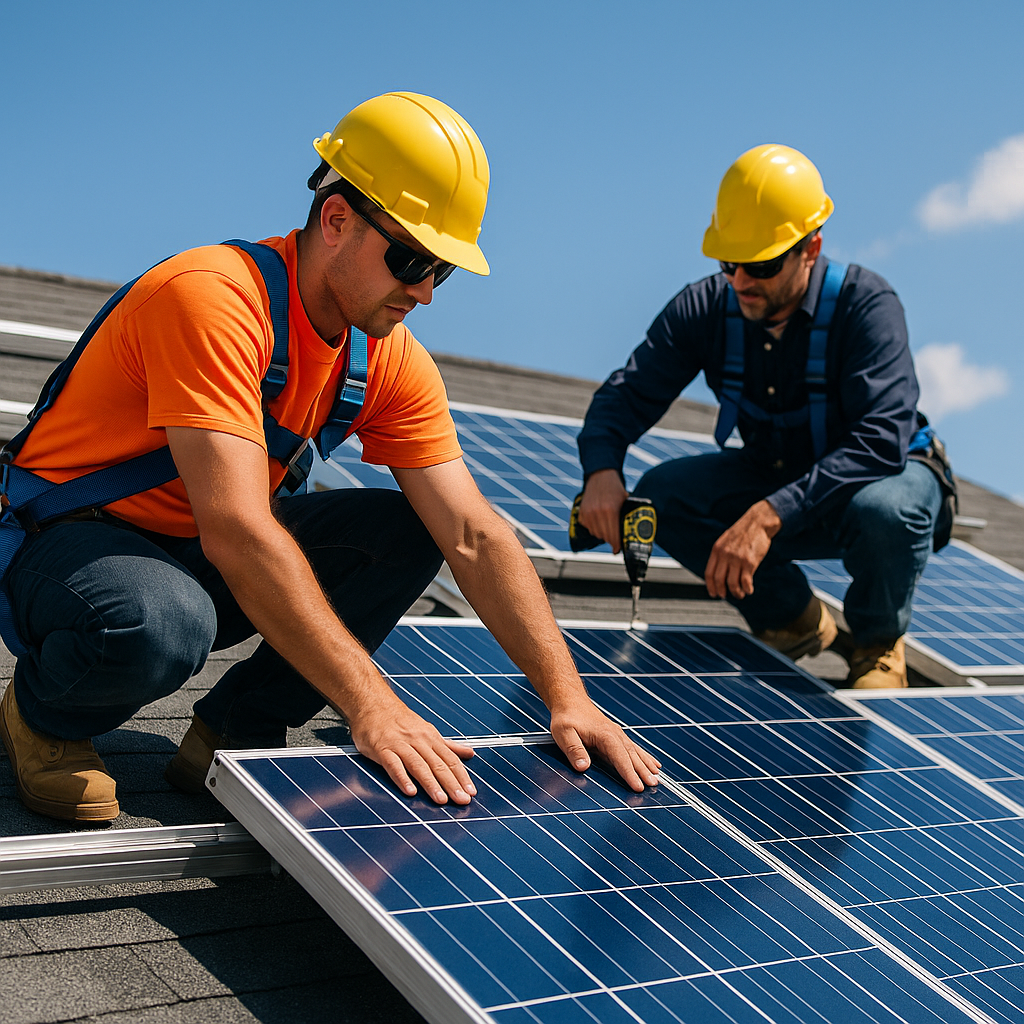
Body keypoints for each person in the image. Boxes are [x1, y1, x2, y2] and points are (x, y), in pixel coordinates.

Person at [0, 91, 660, 823]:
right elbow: (240, 533)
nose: (423, 292)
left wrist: (569, 700)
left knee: (411, 530)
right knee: (164, 621)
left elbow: (472, 534)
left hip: (192, 553)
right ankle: (44, 717)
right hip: (63, 545)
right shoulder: (213, 299)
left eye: (441, 270)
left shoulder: (385, 358)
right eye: (411, 258)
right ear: (337, 219)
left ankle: (235, 725)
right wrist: (373, 705)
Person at [577, 144, 943, 690]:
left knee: (886, 511)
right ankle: (792, 621)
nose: (742, 280)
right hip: (778, 473)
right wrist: (602, 470)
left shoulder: (866, 305)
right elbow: (625, 396)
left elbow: (880, 440)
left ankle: (875, 646)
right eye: (729, 262)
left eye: (763, 264)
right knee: (661, 497)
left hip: (877, 481)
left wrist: (767, 515)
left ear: (810, 248)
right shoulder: (706, 309)